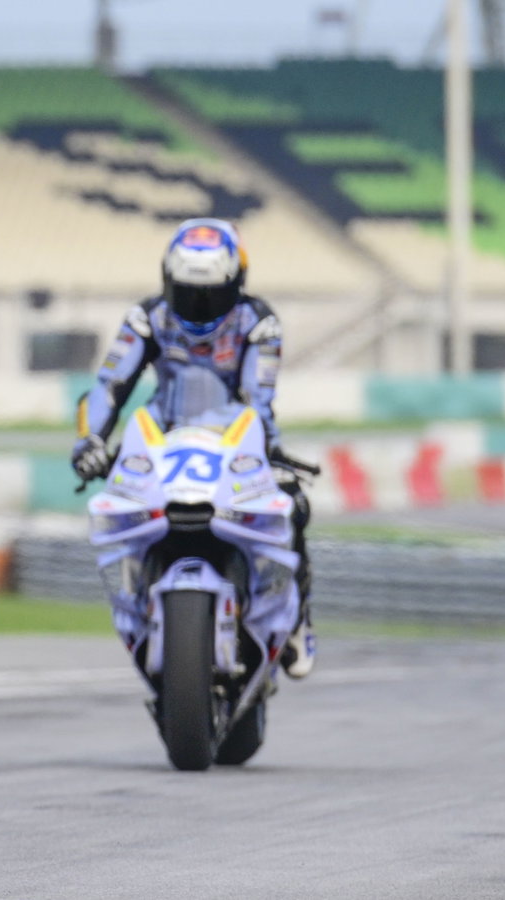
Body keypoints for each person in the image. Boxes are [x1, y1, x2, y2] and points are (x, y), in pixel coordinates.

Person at [70, 218, 314, 678]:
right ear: (167, 280)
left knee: (295, 507)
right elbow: (108, 385)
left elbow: (256, 399)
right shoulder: (147, 317)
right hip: (160, 437)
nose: (200, 307)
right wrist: (92, 442)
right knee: (119, 505)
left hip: (237, 437)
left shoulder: (258, 322)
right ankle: (137, 601)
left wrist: (267, 458)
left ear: (236, 284)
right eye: (187, 292)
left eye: (212, 294)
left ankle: (297, 621)